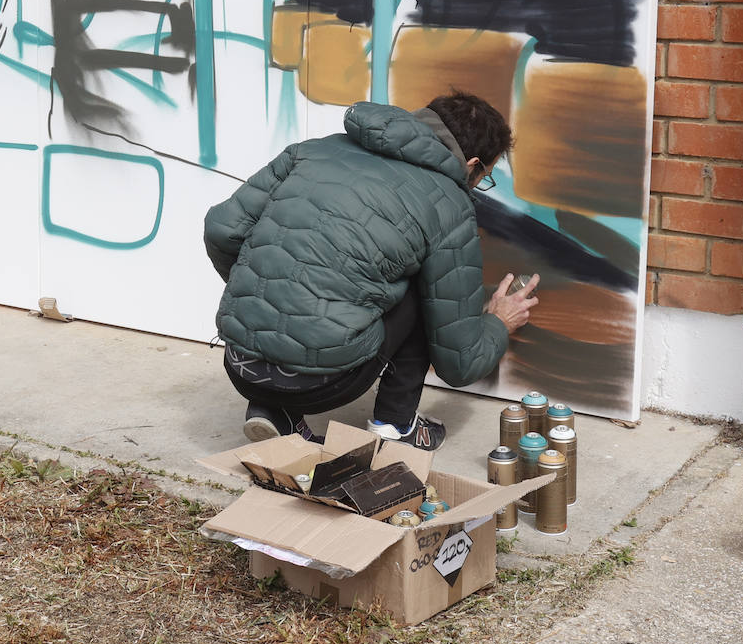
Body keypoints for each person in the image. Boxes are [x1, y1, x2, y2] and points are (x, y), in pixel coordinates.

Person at [204, 93, 539, 449]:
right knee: (426, 289)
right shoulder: (448, 204)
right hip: (323, 384)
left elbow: (222, 228)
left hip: (240, 364)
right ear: (471, 164)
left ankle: (273, 411)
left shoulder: (312, 150)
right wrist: (497, 323)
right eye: (483, 178)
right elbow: (459, 362)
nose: (476, 185)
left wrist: (267, 297)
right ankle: (396, 425)